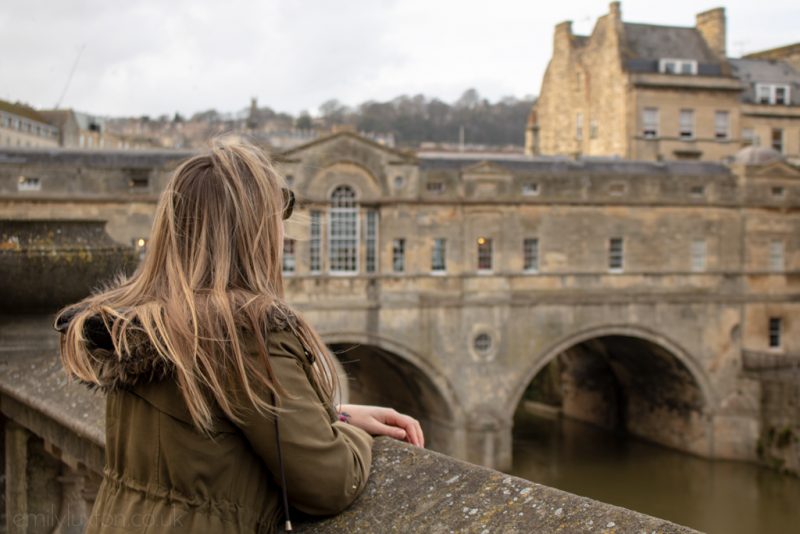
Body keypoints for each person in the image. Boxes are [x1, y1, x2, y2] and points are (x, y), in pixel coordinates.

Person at [54, 139, 424, 534]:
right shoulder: (245, 334)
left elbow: (216, 430)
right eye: (277, 224)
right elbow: (329, 482)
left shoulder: (136, 325)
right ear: (254, 235)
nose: (284, 239)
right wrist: (348, 435)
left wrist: (336, 415)